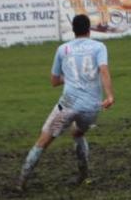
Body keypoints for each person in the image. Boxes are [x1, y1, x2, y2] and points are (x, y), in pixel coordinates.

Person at [17, 15, 114, 190]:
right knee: (77, 133)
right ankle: (83, 175)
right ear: (89, 29)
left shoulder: (63, 49)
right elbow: (104, 70)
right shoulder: (99, 47)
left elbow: (54, 81)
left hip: (68, 104)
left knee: (43, 141)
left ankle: (21, 182)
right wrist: (110, 96)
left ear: (73, 30)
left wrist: (68, 78)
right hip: (91, 107)